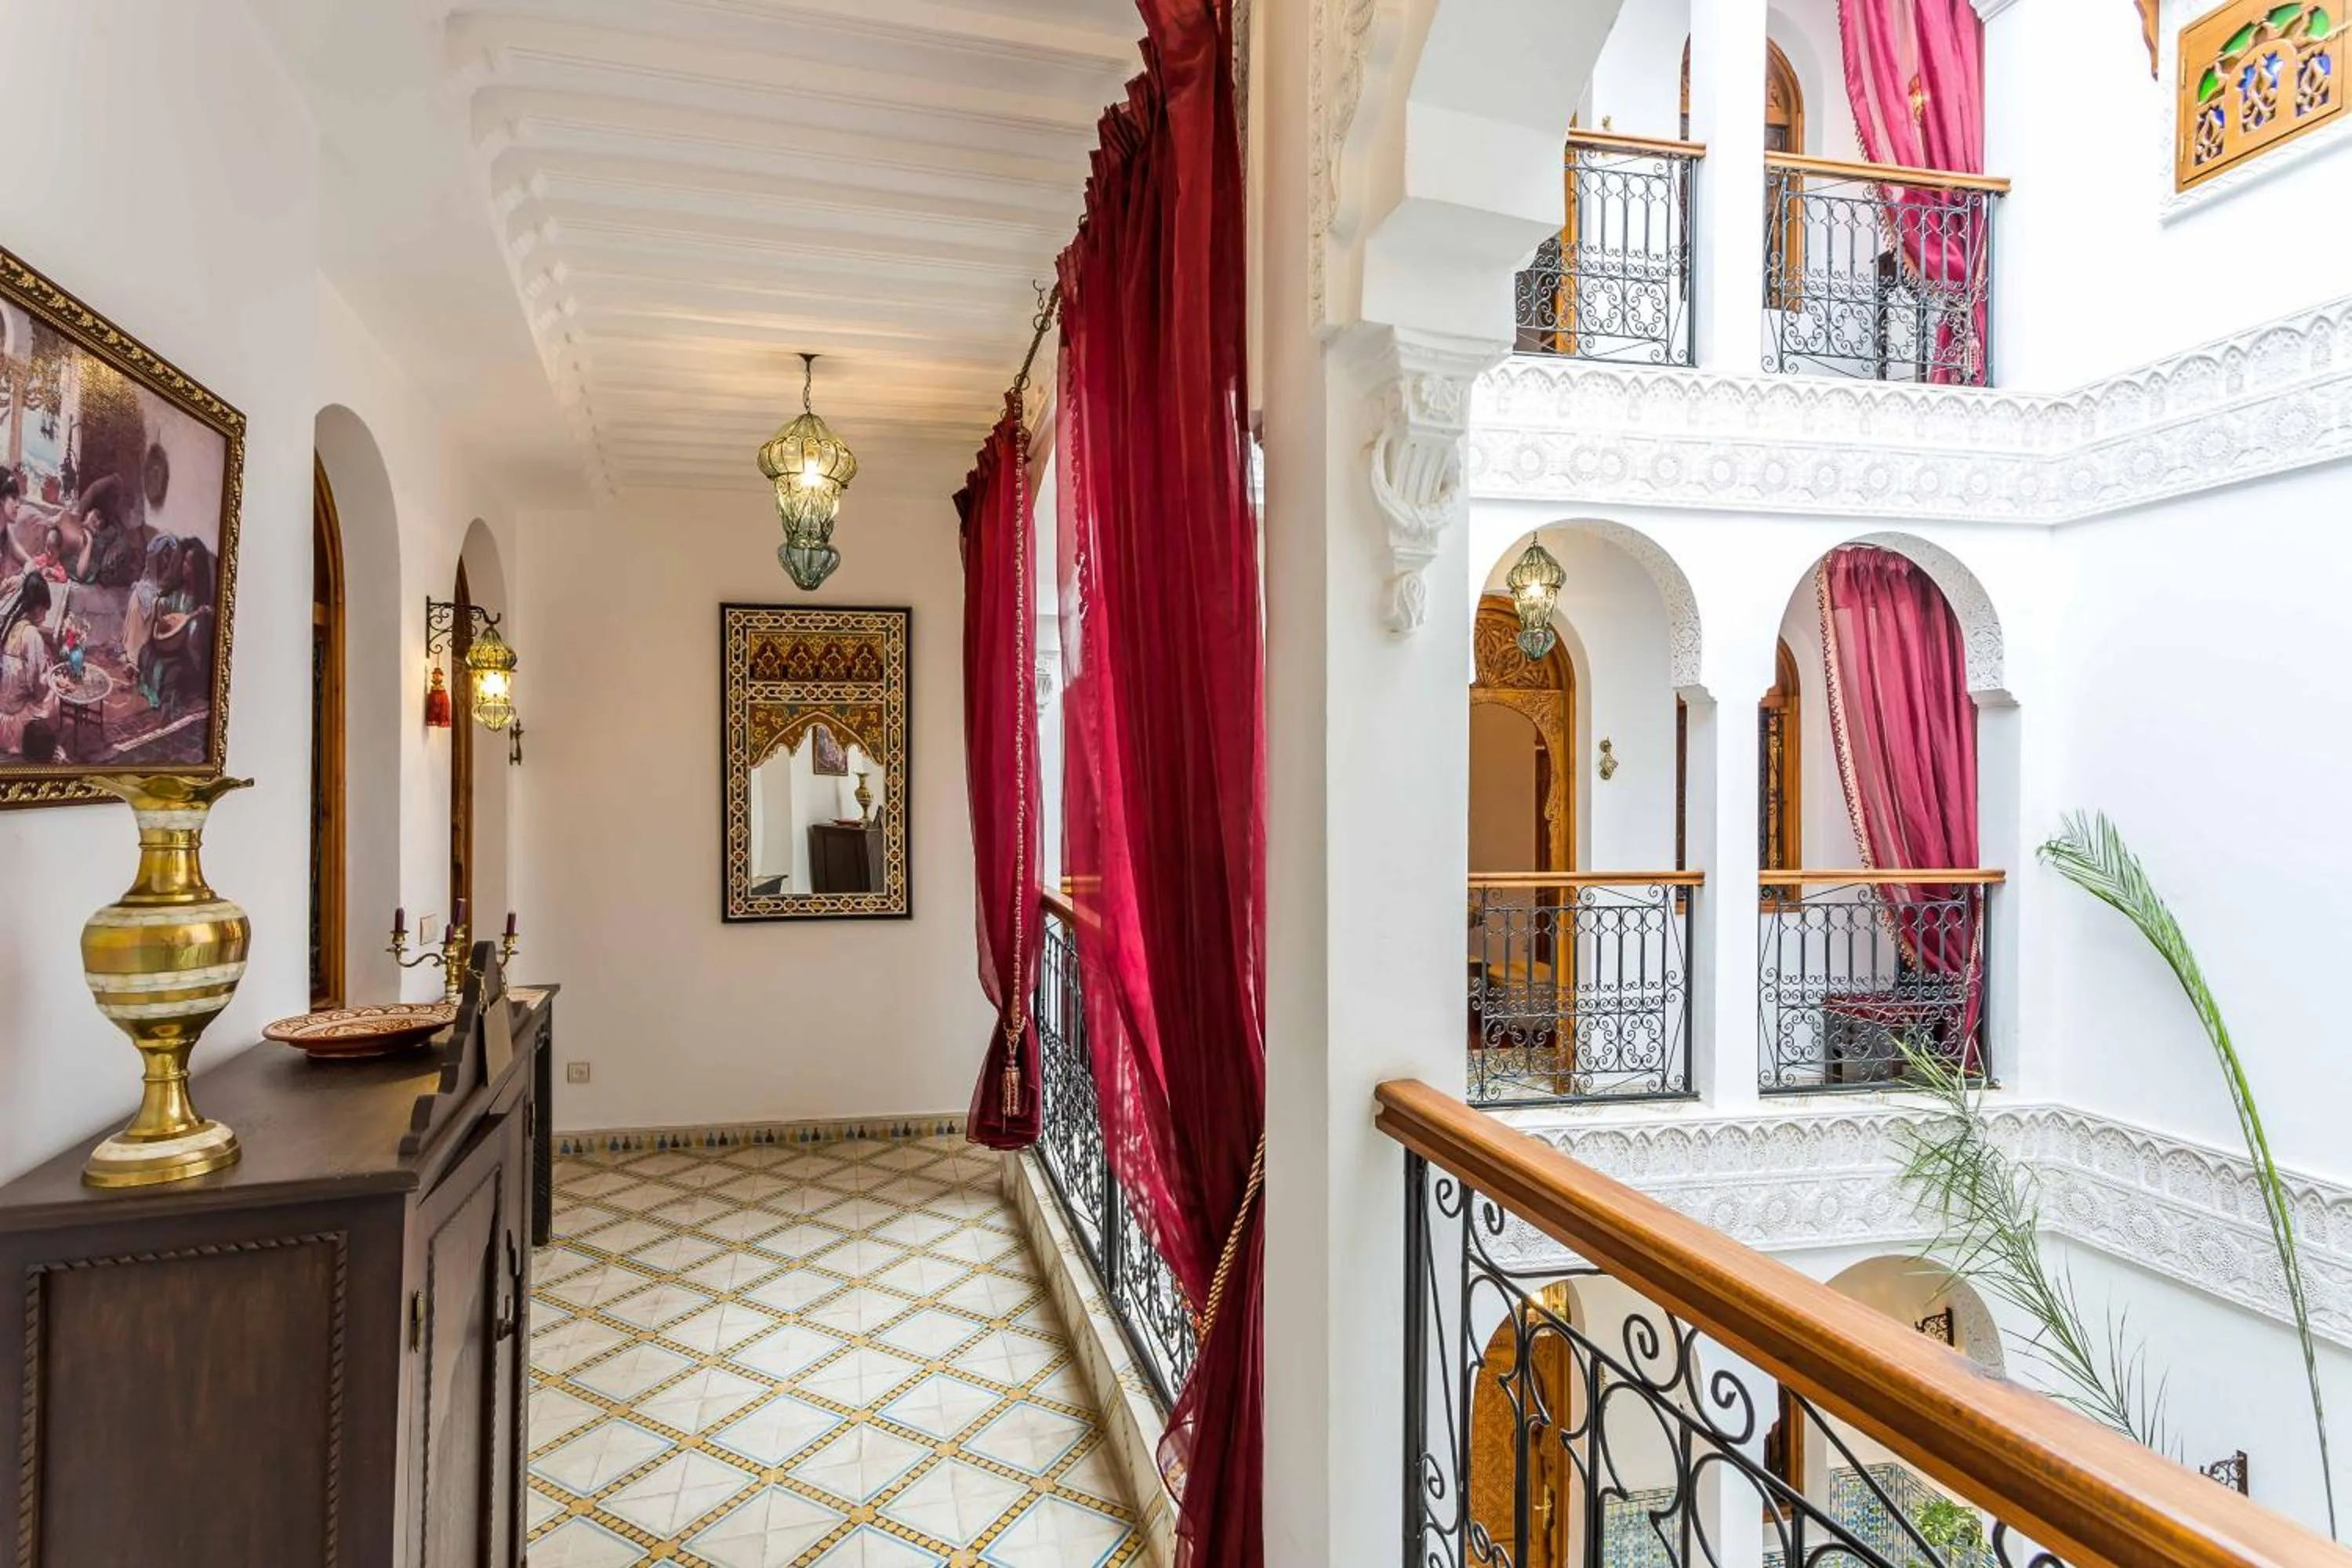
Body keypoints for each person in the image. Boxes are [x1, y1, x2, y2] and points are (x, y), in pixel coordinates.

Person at [0, 568, 59, 756]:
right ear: (39, 607)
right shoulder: (32, 636)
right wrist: (51, 679)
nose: (45, 615)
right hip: (15, 718)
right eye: (45, 609)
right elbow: (38, 690)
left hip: (3, 707)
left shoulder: (12, 624)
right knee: (54, 698)